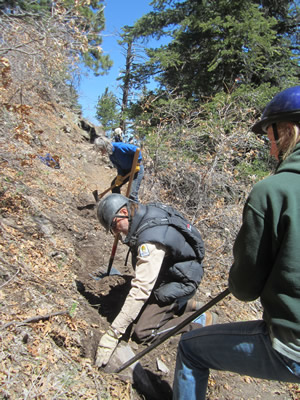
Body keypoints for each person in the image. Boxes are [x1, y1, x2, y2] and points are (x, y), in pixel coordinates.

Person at [172, 86, 300, 400]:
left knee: (190, 349)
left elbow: (244, 289)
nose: (270, 148)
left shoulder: (273, 191)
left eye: (268, 136)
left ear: (286, 131)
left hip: (292, 345)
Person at [95, 193, 216, 368]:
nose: (116, 232)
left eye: (114, 225)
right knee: (133, 303)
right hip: (172, 271)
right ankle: (184, 305)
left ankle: (199, 320)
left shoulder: (150, 242)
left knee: (142, 331)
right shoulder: (144, 213)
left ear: (123, 211)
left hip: (181, 280)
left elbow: (141, 289)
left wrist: (113, 335)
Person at [94, 136, 144, 202]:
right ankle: (119, 204)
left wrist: (137, 163)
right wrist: (120, 175)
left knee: (132, 195)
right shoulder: (111, 155)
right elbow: (119, 166)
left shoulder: (120, 147)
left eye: (101, 150)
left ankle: (135, 211)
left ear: (105, 146)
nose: (102, 153)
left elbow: (137, 150)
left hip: (137, 170)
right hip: (126, 171)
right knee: (114, 186)